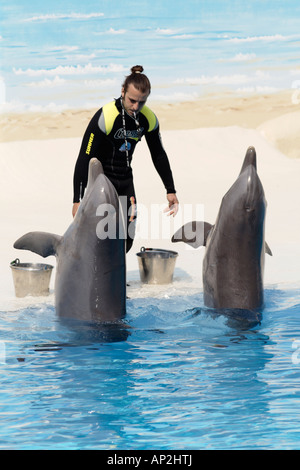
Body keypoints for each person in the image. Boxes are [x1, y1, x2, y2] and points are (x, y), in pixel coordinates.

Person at [72, 65, 179, 252]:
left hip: (125, 180)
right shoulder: (106, 116)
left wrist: (170, 189)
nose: (136, 107)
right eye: (132, 100)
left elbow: (159, 154)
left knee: (128, 236)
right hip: (101, 183)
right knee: (103, 233)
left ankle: (112, 276)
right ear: (122, 91)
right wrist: (77, 199)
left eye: (142, 102)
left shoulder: (148, 119)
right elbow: (84, 157)